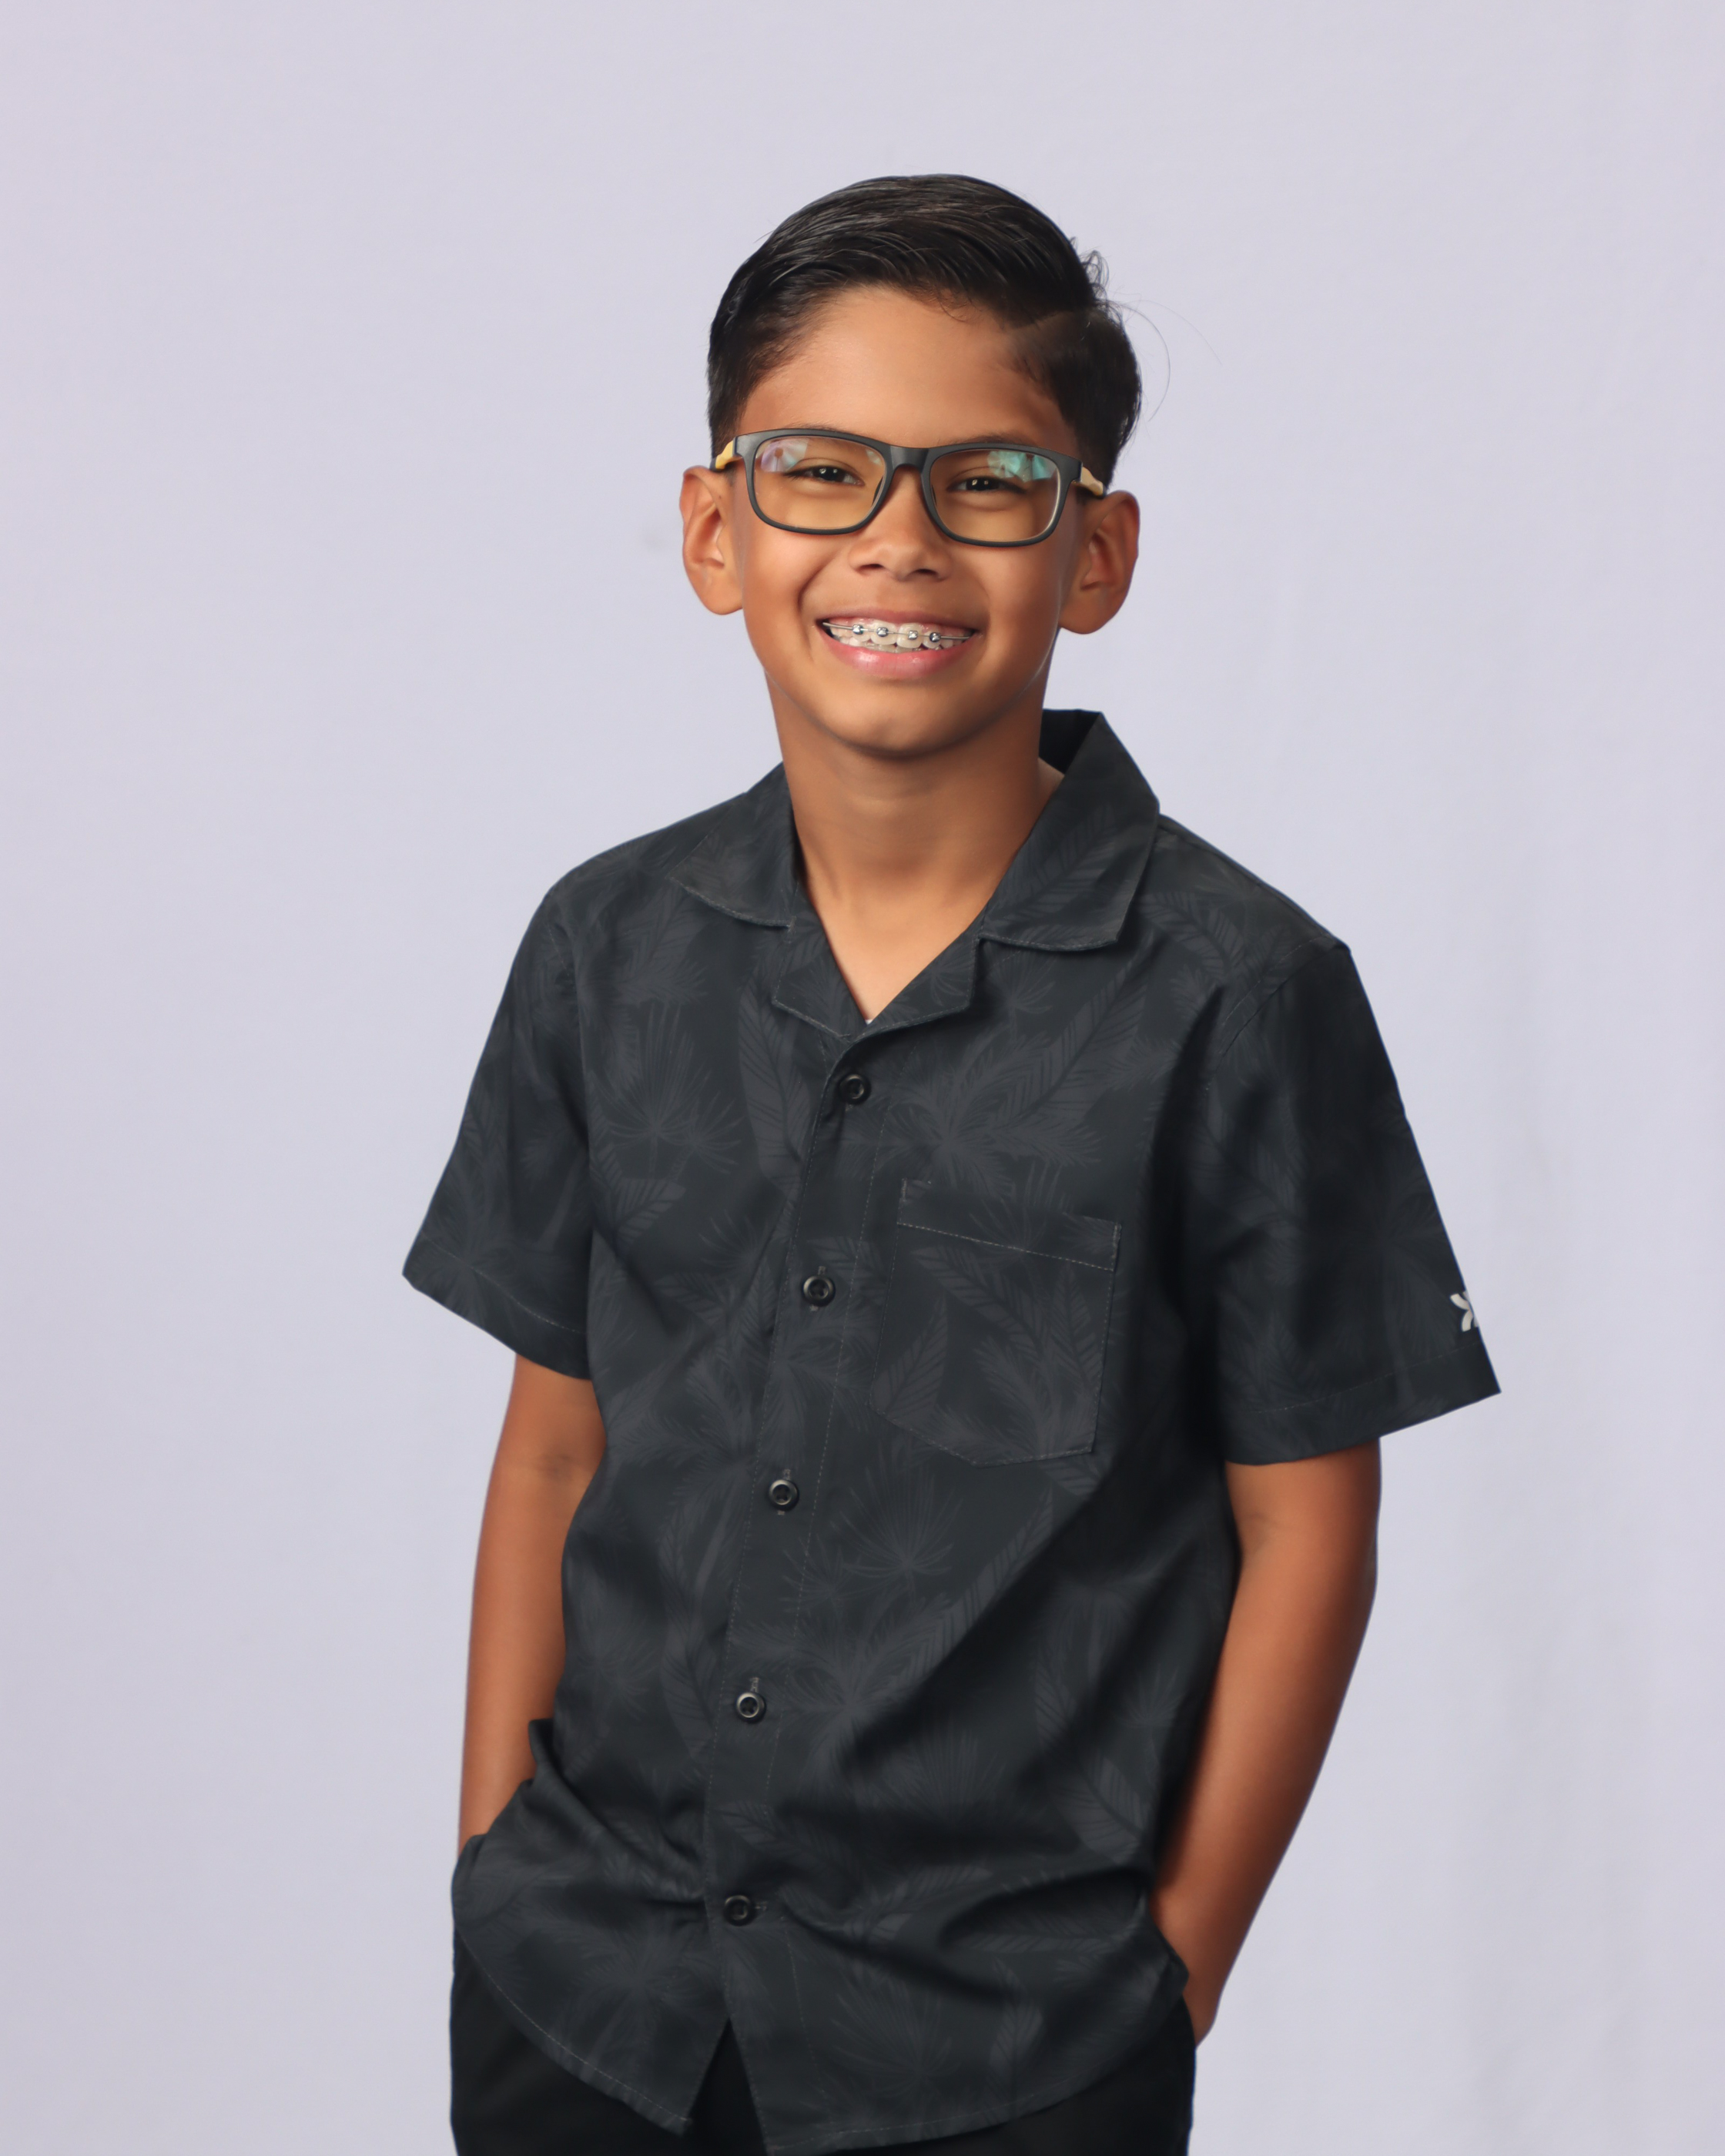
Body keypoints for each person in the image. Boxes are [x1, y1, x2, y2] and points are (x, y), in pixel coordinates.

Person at [405, 172, 1498, 2156]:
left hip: (1007, 2049)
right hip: (586, 2007)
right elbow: (553, 1449)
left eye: (990, 479)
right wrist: (493, 1865)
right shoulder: (606, 945)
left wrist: (1175, 1972)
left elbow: (1309, 1530)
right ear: (715, 531)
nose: (897, 538)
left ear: (1096, 553)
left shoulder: (1242, 992)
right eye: (821, 470)